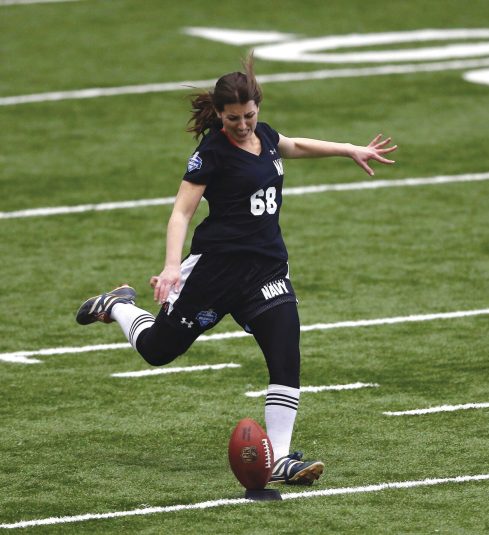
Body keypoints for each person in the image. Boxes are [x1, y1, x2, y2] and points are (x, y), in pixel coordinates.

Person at [75, 56, 397, 486]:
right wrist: (172, 267)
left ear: (257, 107)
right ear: (220, 115)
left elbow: (295, 145)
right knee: (157, 350)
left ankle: (280, 458)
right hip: (214, 273)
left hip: (266, 270)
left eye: (249, 115)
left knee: (286, 353)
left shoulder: (263, 134)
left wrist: (349, 149)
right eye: (233, 119)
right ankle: (116, 305)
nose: (243, 125)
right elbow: (180, 212)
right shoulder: (211, 152)